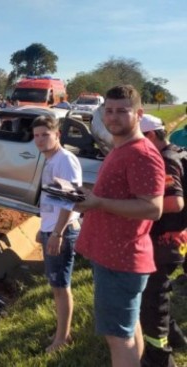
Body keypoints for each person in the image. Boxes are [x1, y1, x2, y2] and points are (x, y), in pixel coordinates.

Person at [74, 85, 166, 367]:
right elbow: (119, 194)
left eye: (121, 111)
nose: (112, 118)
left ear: (138, 114)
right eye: (108, 111)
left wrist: (98, 203)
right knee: (129, 328)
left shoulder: (141, 154)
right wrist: (90, 196)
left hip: (121, 260)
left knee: (118, 337)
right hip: (114, 257)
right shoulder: (121, 147)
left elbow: (153, 208)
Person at [138, 114, 187, 367]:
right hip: (177, 238)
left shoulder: (165, 160)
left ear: (151, 136)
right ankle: (177, 338)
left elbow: (174, 202)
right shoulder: (179, 152)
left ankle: (159, 357)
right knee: (161, 289)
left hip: (164, 241)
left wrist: (140, 205)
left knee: (153, 299)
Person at [32, 114, 82, 353]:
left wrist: (57, 233)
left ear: (57, 135)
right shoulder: (52, 159)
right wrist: (43, 230)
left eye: (45, 135)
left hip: (61, 231)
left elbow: (69, 201)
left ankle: (62, 339)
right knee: (57, 285)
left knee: (61, 287)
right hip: (50, 229)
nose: (40, 140)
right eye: (36, 136)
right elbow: (53, 199)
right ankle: (62, 332)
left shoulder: (65, 160)